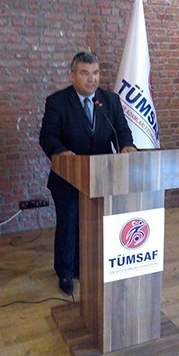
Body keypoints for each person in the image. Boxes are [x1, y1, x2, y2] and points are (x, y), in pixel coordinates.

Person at [39, 51, 137, 295]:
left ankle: (91, 265)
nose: (92, 79)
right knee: (69, 224)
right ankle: (65, 273)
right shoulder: (57, 102)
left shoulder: (110, 101)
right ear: (73, 76)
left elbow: (122, 131)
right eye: (85, 73)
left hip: (102, 177)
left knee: (97, 224)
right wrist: (60, 151)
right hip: (68, 177)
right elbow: (48, 137)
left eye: (95, 73)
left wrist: (127, 145)